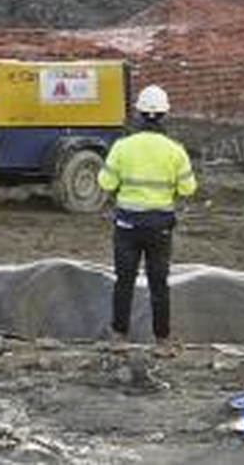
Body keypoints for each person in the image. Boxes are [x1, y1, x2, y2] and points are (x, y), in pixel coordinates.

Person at [99, 85, 198, 354]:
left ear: (139, 115)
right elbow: (189, 188)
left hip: (127, 225)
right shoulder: (175, 150)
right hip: (160, 226)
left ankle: (119, 337)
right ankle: (162, 341)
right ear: (165, 115)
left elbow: (105, 182)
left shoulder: (122, 147)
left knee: (124, 281)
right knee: (159, 282)